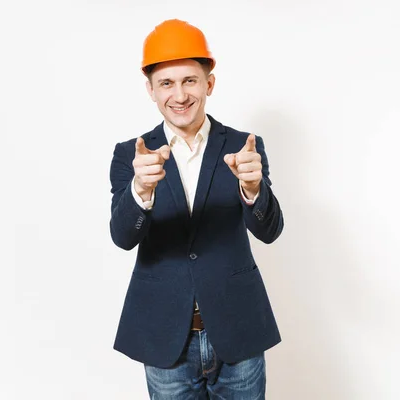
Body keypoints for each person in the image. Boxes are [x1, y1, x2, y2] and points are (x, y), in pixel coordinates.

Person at [109, 19, 284, 399]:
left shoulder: (243, 146)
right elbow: (123, 237)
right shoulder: (131, 154)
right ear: (151, 91)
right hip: (164, 336)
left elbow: (270, 231)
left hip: (238, 331)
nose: (180, 94)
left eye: (189, 80)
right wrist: (140, 190)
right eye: (166, 83)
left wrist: (254, 190)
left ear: (209, 83)